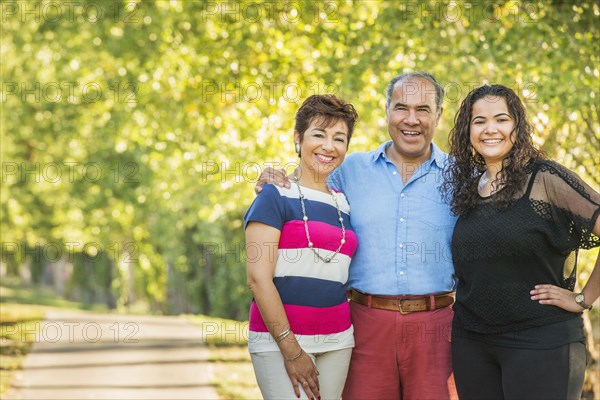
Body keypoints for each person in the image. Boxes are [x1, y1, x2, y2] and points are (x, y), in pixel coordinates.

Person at [256, 72, 458, 400]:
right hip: (364, 324)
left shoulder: (461, 176)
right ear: (386, 111)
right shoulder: (350, 170)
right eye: (401, 107)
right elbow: (308, 182)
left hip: (436, 328)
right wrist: (275, 177)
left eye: (423, 109)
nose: (411, 119)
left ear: (438, 115)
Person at [443, 84, 600, 399]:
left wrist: (584, 299)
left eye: (501, 119)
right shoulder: (466, 188)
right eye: (479, 121)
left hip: (542, 340)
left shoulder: (545, 179)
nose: (491, 129)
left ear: (517, 126)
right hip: (473, 344)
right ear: (467, 130)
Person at [245, 94, 360, 400]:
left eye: (339, 138)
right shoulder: (274, 196)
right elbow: (258, 279)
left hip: (337, 340)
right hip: (278, 341)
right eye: (318, 135)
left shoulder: (345, 203)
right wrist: (292, 350)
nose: (328, 146)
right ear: (298, 138)